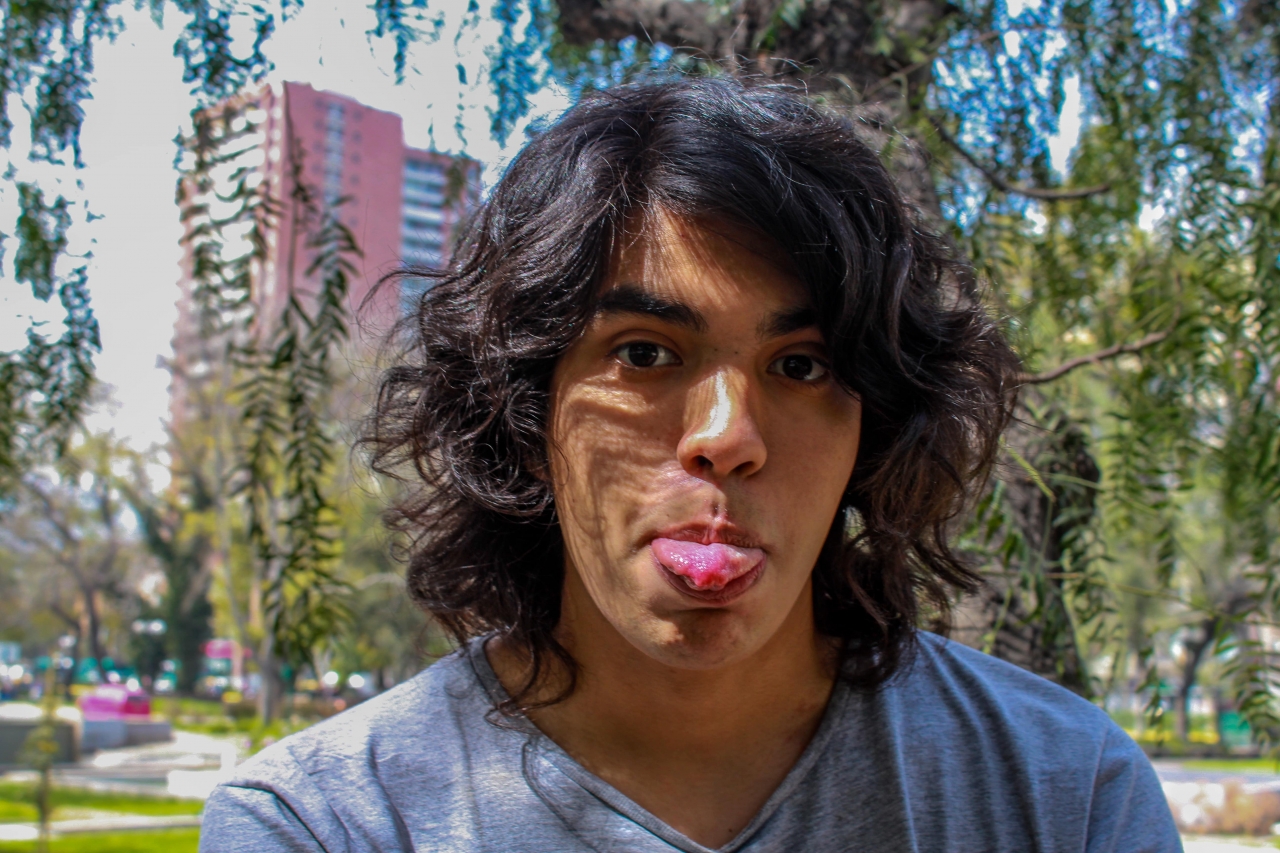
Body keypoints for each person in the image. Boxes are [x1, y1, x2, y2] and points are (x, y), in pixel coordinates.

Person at [199, 78, 1180, 852]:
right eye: (644, 353)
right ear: (525, 413)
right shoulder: (326, 823)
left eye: (801, 365)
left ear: (872, 431)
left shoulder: (1065, 795)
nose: (727, 436)